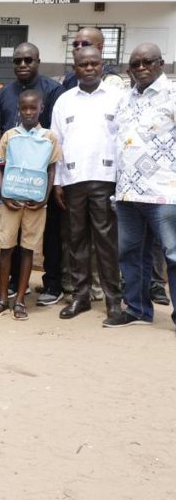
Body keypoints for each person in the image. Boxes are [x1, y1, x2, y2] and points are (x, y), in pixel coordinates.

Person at [106, 43, 176, 329]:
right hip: (127, 191)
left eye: (148, 62)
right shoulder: (124, 99)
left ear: (161, 63)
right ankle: (137, 310)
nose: (141, 68)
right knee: (131, 253)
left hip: (165, 190)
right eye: (135, 64)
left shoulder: (173, 96)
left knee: (172, 254)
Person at [0, 42, 65, 305]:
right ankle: (7, 289)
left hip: (39, 184)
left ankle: (51, 285)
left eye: (28, 60)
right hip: (12, 181)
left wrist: (48, 190)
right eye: (18, 60)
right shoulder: (4, 92)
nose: (23, 65)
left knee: (44, 239)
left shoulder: (53, 90)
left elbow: (56, 132)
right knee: (7, 244)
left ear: (38, 61)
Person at [51, 47, 122, 321]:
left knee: (106, 242)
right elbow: (57, 143)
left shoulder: (117, 98)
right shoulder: (64, 101)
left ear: (102, 65)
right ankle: (80, 297)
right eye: (83, 64)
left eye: (94, 63)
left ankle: (113, 300)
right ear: (75, 67)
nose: (89, 68)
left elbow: (122, 140)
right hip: (72, 180)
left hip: (106, 180)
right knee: (76, 241)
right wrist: (57, 182)